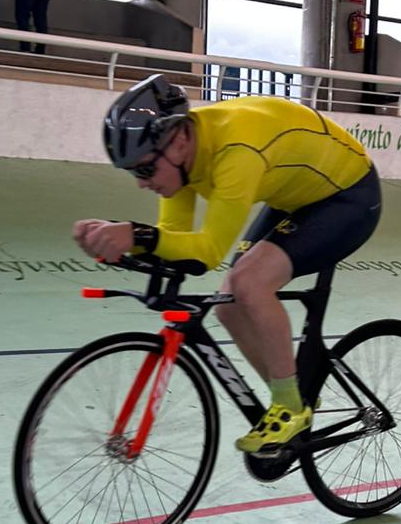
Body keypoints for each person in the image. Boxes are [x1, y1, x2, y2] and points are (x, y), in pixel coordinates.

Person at [73, 76, 381, 454]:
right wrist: (119, 244)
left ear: (179, 141)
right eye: (133, 172)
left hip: (348, 196)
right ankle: (295, 395)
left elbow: (207, 252)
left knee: (249, 282)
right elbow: (173, 236)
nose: (141, 183)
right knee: (229, 305)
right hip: (296, 196)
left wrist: (136, 236)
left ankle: (289, 407)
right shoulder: (179, 157)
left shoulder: (237, 152)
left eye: (144, 170)